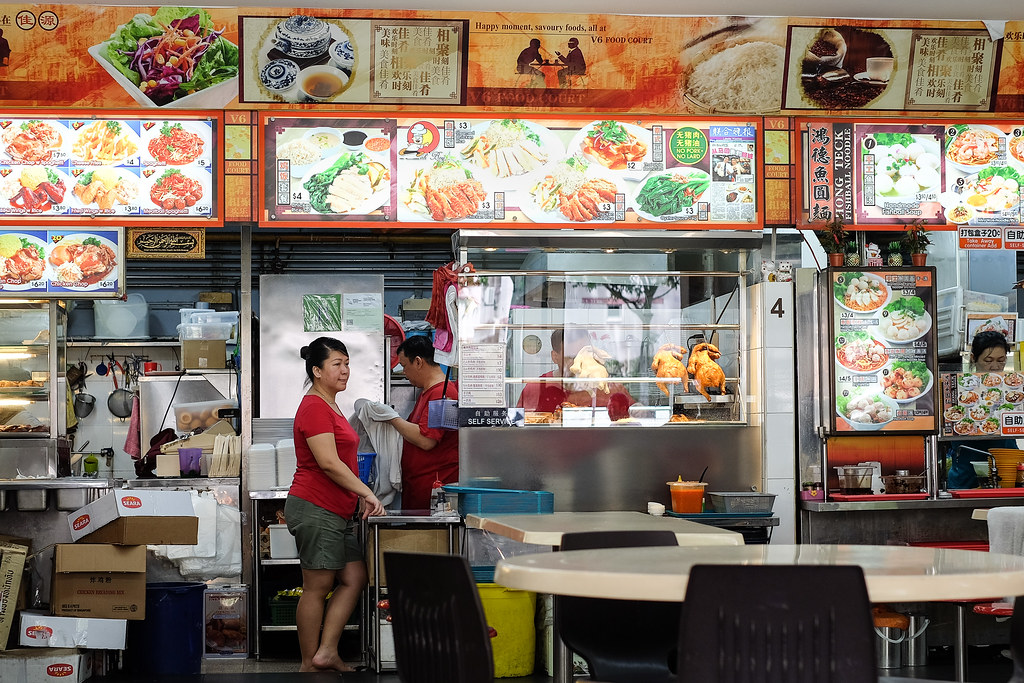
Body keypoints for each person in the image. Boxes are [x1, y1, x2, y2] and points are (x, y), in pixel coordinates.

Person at [285, 337, 385, 673]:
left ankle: (326, 652)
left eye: (346, 363)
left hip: (337, 509)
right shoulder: (313, 406)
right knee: (317, 586)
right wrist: (366, 492)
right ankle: (307, 665)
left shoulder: (330, 404)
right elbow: (328, 462)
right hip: (316, 506)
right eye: (336, 364)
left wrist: (356, 494)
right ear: (316, 370)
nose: (345, 370)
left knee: (354, 577)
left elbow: (341, 460)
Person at [389, 335, 459, 509]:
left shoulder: (442, 393)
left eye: (405, 366)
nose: (404, 373)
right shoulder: (427, 392)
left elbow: (427, 440)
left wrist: (390, 418)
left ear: (418, 362)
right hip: (417, 485)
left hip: (434, 490)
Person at [945, 330, 1016, 489]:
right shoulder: (959, 389)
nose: (995, 366)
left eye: (1001, 360)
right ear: (973, 358)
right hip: (966, 474)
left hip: (1007, 469)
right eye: (988, 360)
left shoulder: (1013, 390)